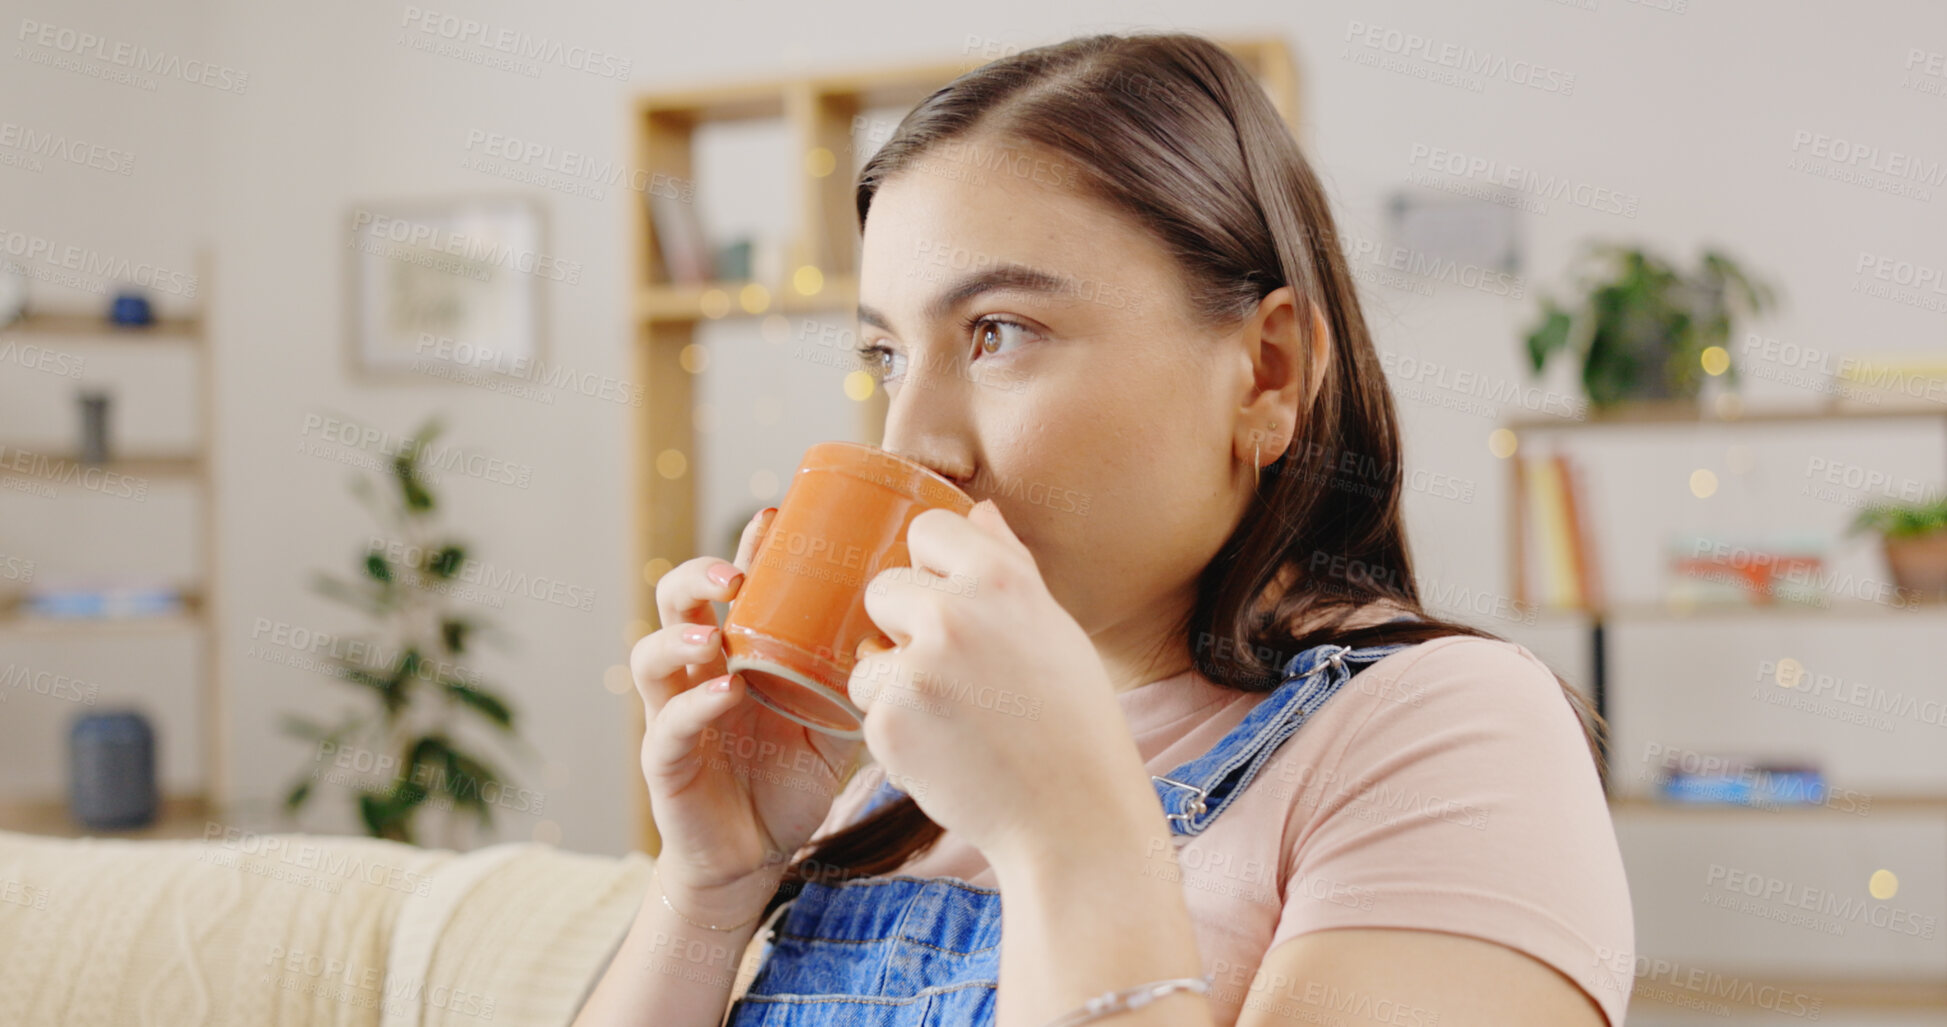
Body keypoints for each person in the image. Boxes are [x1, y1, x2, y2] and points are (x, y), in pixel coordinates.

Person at [574, 30, 1633, 1027]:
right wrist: (715, 882)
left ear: (1266, 372)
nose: (912, 443)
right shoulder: (904, 758)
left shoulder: (1445, 733)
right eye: (887, 356)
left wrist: (1067, 840)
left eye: (998, 333)